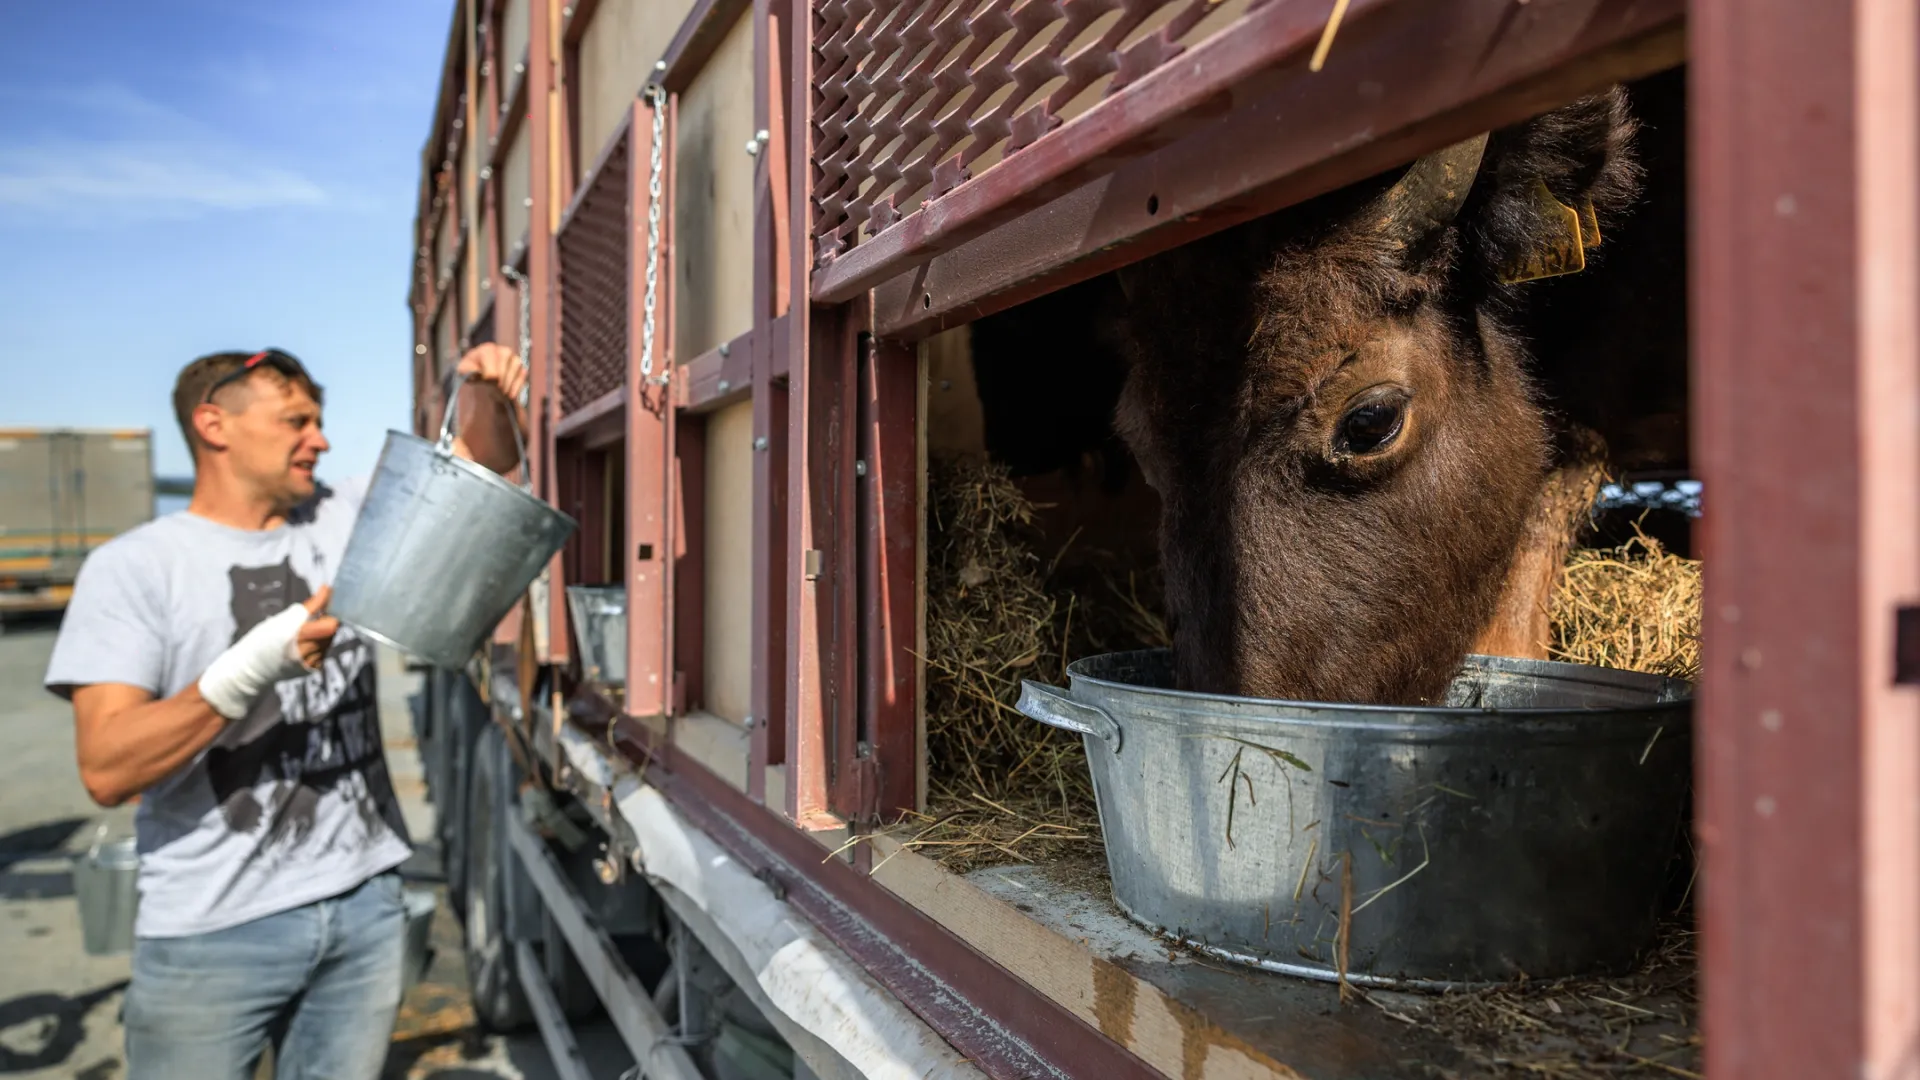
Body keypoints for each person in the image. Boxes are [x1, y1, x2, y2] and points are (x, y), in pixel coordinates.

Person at [44, 343, 528, 1080]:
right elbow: (108, 767)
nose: (322, 440)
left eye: (321, 421)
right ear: (215, 424)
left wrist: (486, 390)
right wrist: (247, 673)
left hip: (364, 903)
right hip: (213, 928)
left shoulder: (341, 519)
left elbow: (481, 461)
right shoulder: (135, 568)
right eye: (297, 421)